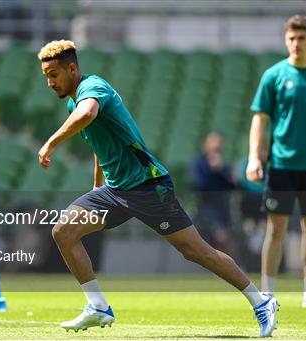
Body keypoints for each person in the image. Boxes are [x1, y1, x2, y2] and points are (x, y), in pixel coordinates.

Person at [37, 40, 278, 337]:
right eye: (46, 76)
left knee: (197, 251)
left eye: (53, 74)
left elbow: (88, 115)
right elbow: (100, 144)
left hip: (148, 186)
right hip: (116, 191)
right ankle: (97, 306)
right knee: (63, 231)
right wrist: (97, 190)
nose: (50, 82)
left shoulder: (93, 88)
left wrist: (51, 142)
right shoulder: (75, 101)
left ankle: (261, 301)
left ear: (72, 68)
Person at [247, 15, 306, 309]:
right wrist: (254, 155)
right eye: (291, 38)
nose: (296, 44)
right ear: (285, 40)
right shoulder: (274, 75)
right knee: (275, 228)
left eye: (301, 38)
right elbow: (259, 119)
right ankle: (267, 293)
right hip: (281, 165)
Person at [191, 132, 237, 258]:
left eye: (219, 143)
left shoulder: (223, 164)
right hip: (206, 206)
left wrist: (220, 170)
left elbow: (232, 186)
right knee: (218, 236)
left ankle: (232, 268)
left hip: (222, 206)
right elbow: (199, 184)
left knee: (224, 236)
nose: (217, 146)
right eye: (214, 142)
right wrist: (212, 170)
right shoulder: (199, 162)